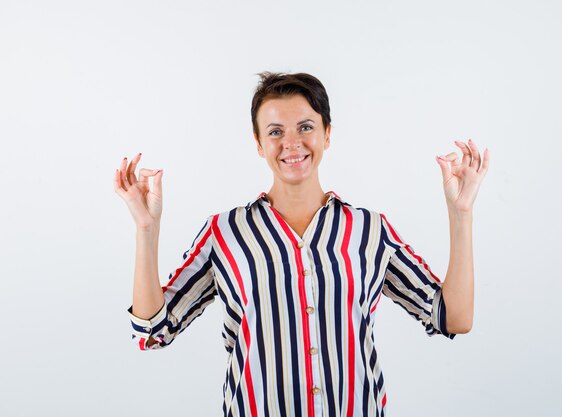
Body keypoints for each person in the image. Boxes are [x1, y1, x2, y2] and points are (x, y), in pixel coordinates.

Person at [113, 72, 490, 417]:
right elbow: (152, 331)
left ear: (327, 134)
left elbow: (453, 317)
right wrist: (146, 228)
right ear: (259, 143)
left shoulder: (369, 231)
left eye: (305, 127)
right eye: (275, 131)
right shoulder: (225, 233)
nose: (291, 143)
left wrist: (461, 214)